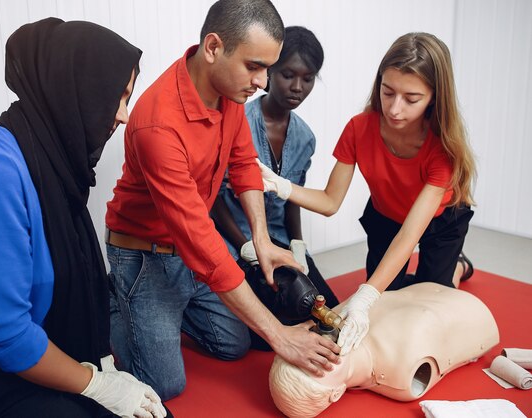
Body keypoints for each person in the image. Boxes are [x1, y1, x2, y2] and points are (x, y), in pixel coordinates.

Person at [0, 18, 168, 418]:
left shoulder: (55, 167)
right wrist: (97, 384)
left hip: (31, 361)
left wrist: (104, 366)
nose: (124, 116)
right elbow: (2, 333)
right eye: (116, 96)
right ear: (76, 88)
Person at [105, 0, 340, 401]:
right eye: (254, 66)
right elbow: (201, 239)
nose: (263, 82)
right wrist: (281, 337)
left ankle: (164, 312)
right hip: (145, 255)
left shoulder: (229, 92)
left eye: (268, 67)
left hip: (188, 253)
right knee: (165, 386)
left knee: (234, 346)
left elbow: (244, 165)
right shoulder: (157, 124)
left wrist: (262, 241)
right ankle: (117, 301)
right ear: (213, 47)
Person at [258, 32, 477, 355]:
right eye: (388, 92)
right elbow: (330, 202)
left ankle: (455, 268)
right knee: (391, 294)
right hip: (386, 215)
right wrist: (282, 185)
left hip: (441, 221)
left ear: (434, 97)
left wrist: (366, 294)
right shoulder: (360, 128)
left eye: (411, 99)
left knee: (429, 305)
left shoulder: (443, 150)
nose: (395, 108)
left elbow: (409, 235)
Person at [210, 26, 339, 350]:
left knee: (328, 311)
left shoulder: (305, 137)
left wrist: (297, 244)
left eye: (307, 78)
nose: (297, 87)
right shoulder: (237, 120)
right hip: (235, 240)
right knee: (265, 335)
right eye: (287, 75)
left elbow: (294, 195)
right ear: (270, 72)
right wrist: (245, 246)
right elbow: (211, 198)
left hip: (280, 239)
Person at [268, 282, 500, 418]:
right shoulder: (399, 376)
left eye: (302, 353)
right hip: (468, 309)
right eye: (316, 365)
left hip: (423, 289)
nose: (317, 348)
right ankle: (458, 269)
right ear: (336, 393)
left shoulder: (333, 326)